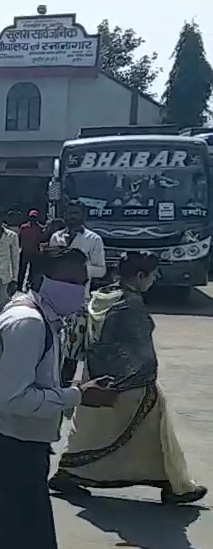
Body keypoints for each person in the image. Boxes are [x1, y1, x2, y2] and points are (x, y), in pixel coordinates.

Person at [0, 247, 120, 549]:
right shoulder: (28, 324)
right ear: (41, 280)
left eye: (83, 281)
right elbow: (14, 398)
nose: (78, 290)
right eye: (68, 281)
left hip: (16, 448)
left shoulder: (40, 316)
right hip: (11, 451)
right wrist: (79, 396)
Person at [49, 252, 207, 505]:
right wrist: (141, 377)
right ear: (140, 276)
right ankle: (174, 485)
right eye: (152, 276)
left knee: (91, 431)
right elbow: (137, 346)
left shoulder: (101, 297)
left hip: (95, 378)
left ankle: (68, 473)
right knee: (156, 431)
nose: (153, 281)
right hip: (130, 382)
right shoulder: (131, 304)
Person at [48, 202, 107, 387]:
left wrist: (79, 269)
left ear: (83, 215)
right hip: (54, 301)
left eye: (76, 213)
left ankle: (65, 390)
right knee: (52, 346)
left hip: (79, 301)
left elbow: (101, 270)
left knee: (72, 351)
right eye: (69, 212)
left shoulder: (93, 239)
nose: (72, 216)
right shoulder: (56, 237)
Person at [17, 210, 45, 290]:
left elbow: (43, 239)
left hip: (34, 252)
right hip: (25, 251)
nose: (33, 219)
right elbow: (19, 238)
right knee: (22, 270)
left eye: (34, 218)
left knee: (33, 271)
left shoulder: (40, 228)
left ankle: (29, 284)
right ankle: (19, 286)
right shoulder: (24, 227)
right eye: (31, 217)